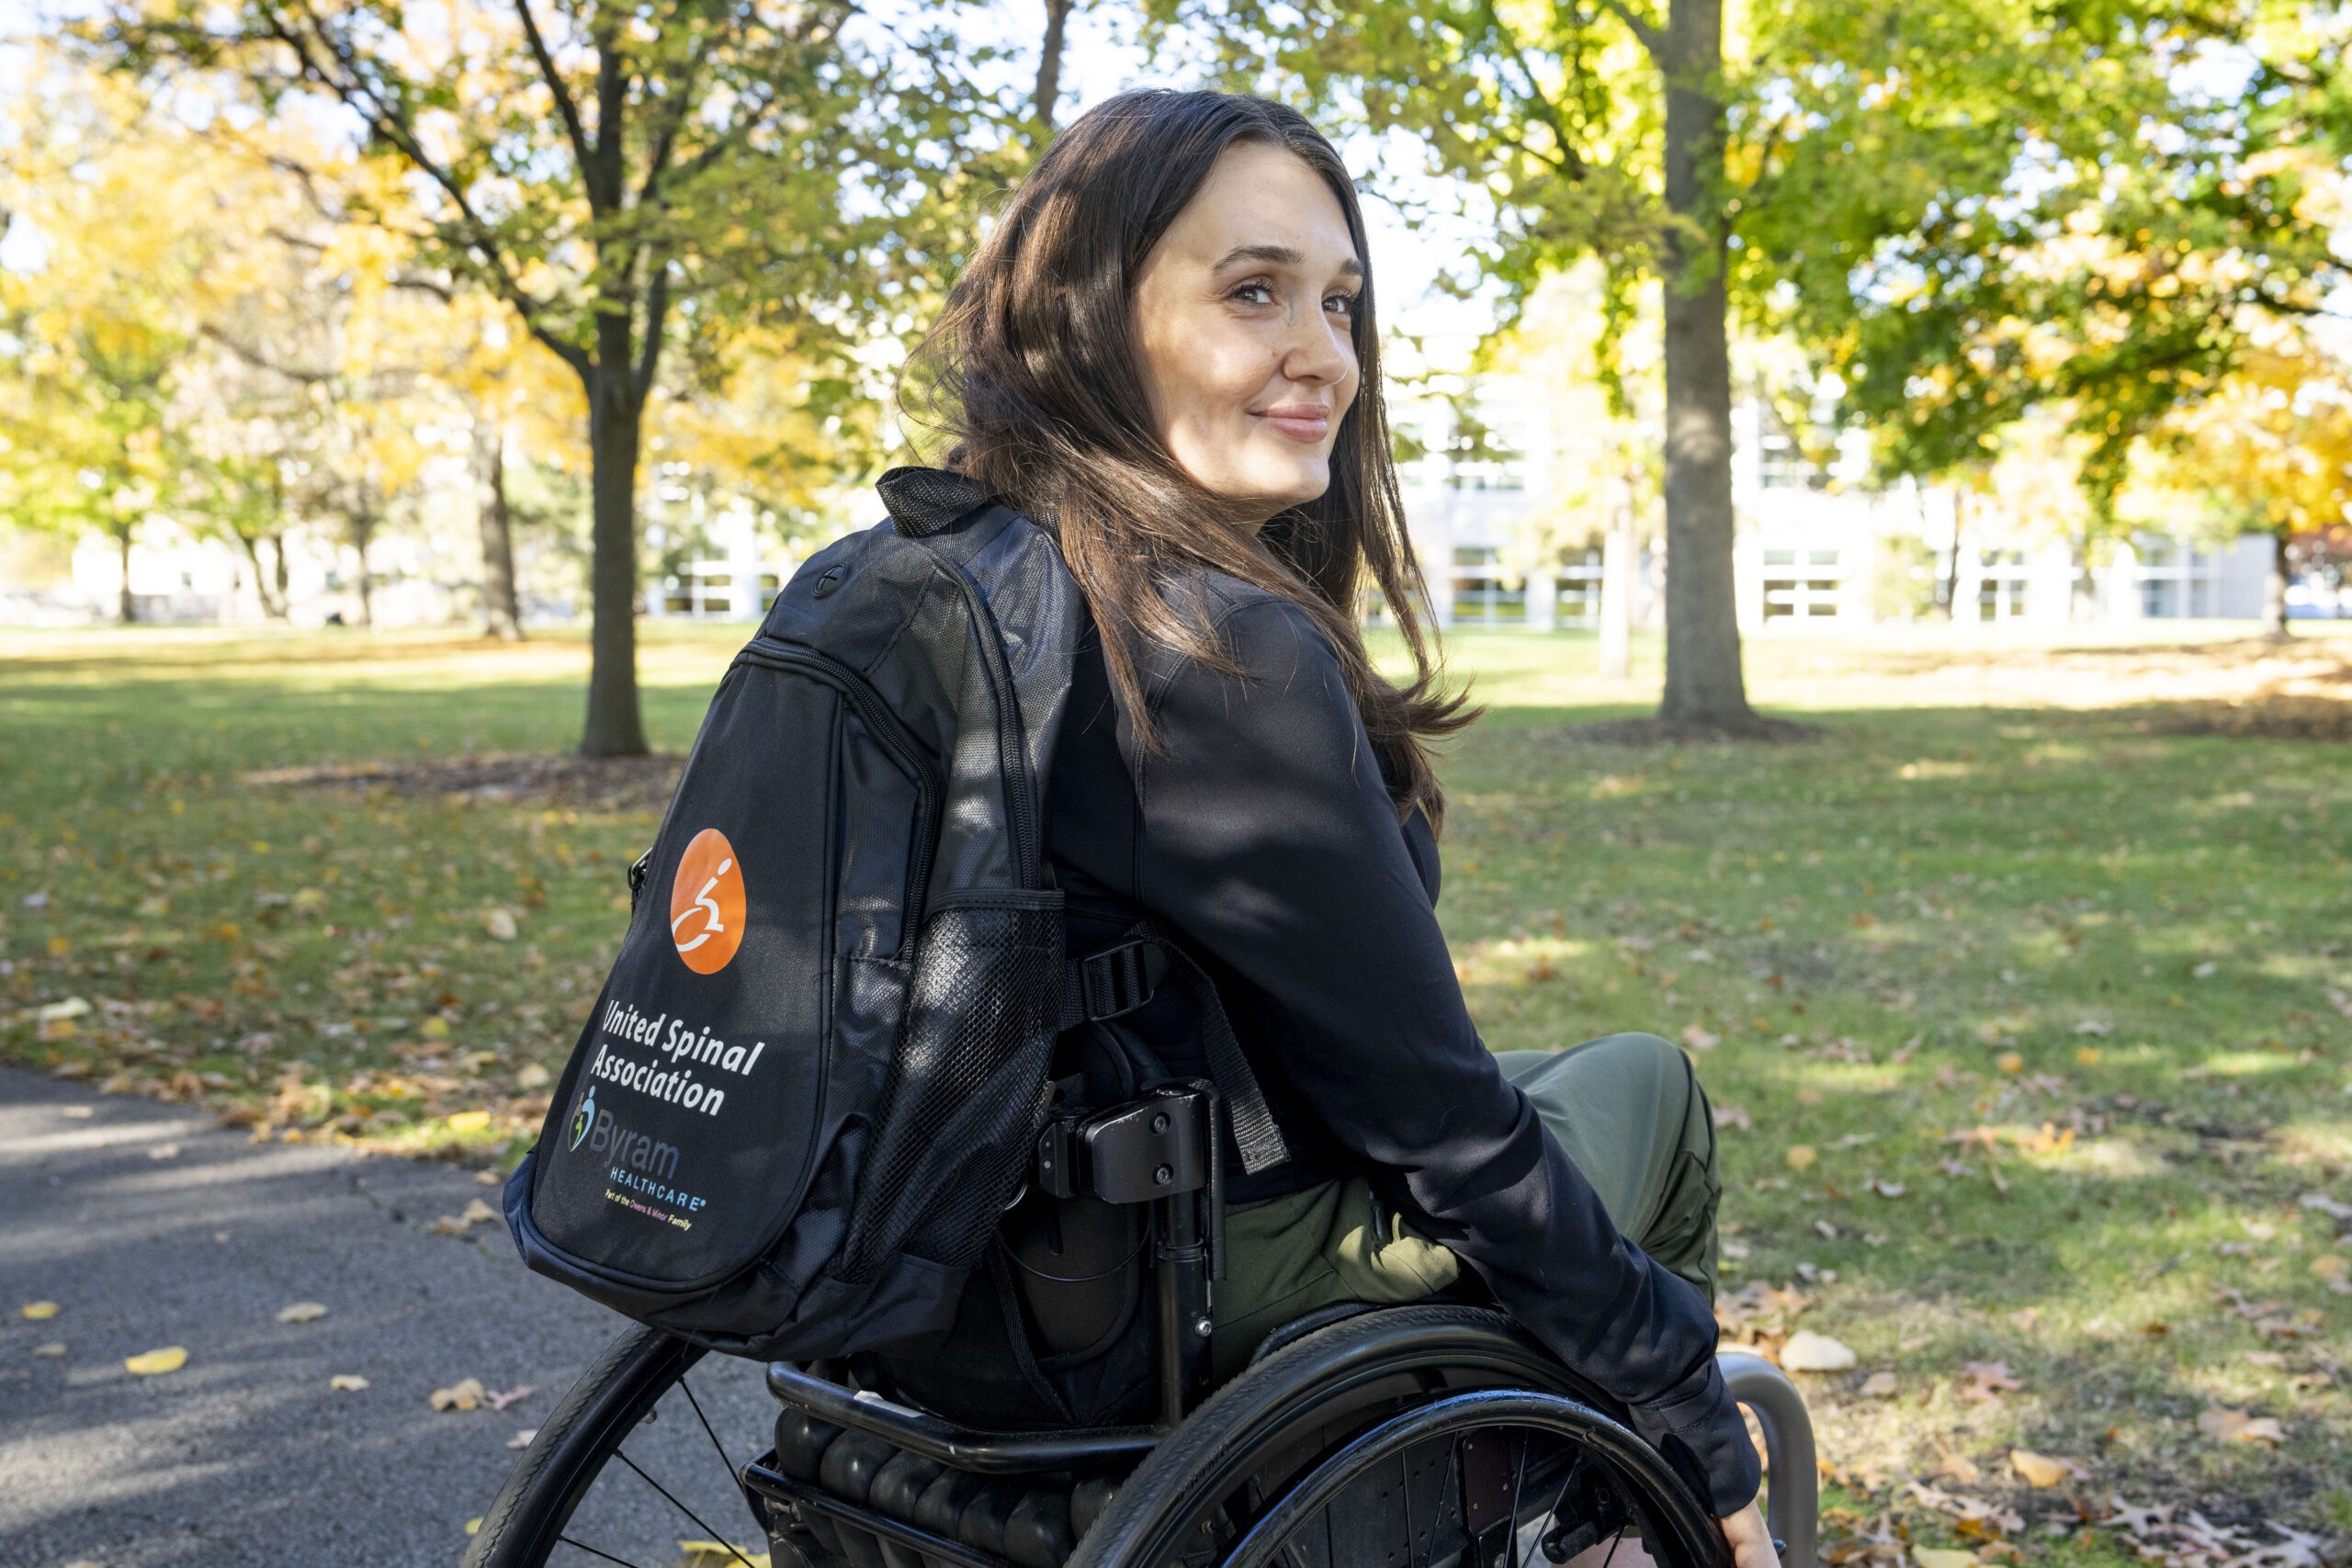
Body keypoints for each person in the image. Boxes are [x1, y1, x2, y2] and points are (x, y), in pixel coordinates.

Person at [891, 88, 1774, 1568]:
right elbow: (1442, 1131)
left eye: (1341, 302)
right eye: (1255, 293)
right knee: (1649, 1091)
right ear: (1091, 317)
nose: (1326, 357)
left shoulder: (935, 574)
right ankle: (1608, 1532)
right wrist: (1692, 1427)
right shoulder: (1210, 649)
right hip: (1159, 1286)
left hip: (937, 1250)